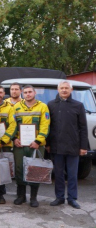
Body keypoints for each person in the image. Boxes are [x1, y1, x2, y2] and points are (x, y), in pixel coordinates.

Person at [47, 81, 88, 209]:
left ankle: (72, 198)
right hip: (56, 146)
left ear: (71, 90)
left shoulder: (78, 105)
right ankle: (59, 197)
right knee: (58, 174)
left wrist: (83, 147)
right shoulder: (51, 105)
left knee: (72, 174)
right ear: (58, 89)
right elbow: (47, 126)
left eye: (66, 88)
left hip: (73, 146)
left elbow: (83, 128)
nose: (64, 90)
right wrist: (48, 144)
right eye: (62, 88)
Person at [12, 85, 50, 208]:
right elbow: (12, 125)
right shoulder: (16, 107)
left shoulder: (43, 107)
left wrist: (38, 141)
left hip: (36, 146)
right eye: (25, 92)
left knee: (35, 170)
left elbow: (45, 125)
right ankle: (21, 196)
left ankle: (33, 197)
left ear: (34, 93)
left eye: (30, 92)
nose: (28, 94)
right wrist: (14, 138)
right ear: (22, 94)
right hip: (20, 145)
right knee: (19, 169)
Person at [0, 85, 17, 204]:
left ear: (4, 94)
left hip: (4, 144)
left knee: (2, 169)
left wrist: (3, 140)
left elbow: (13, 125)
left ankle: (0, 194)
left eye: (0, 93)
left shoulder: (10, 108)